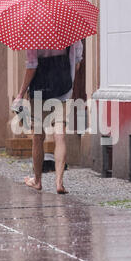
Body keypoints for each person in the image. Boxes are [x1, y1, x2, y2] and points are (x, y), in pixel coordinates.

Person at [12, 40, 83, 194]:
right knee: (60, 135)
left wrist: (20, 93)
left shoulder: (33, 35)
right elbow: (77, 63)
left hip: (40, 91)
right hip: (63, 90)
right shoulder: (70, 32)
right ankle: (59, 182)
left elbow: (31, 67)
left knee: (38, 137)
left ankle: (37, 181)